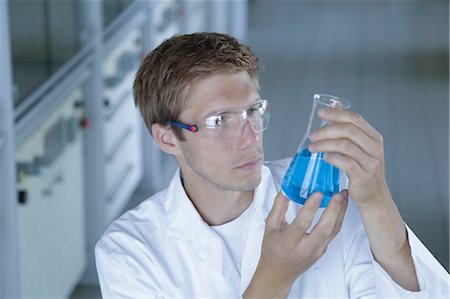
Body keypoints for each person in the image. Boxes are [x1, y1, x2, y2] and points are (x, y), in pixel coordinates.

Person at [95, 32, 449, 298]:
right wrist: (275, 276)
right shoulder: (130, 251)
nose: (250, 136)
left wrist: (375, 199)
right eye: (220, 121)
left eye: (254, 111)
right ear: (167, 138)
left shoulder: (322, 199)